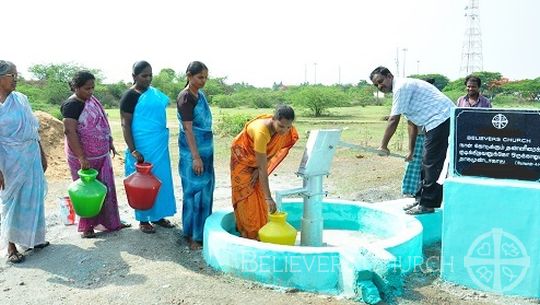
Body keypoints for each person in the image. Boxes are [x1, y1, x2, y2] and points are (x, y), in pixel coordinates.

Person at [370, 66, 454, 215]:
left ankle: (428, 204)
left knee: (432, 163)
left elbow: (393, 120)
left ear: (389, 76)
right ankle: (421, 199)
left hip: (442, 119)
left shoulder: (401, 87)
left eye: (381, 81)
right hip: (434, 123)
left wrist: (383, 145)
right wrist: (411, 149)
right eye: (376, 85)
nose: (380, 86)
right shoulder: (402, 88)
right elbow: (411, 123)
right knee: (425, 162)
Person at [61, 71, 130, 238]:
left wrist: (110, 141)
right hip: (83, 159)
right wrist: (81, 157)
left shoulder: (92, 101)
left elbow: (102, 122)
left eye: (92, 88)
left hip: (101, 156)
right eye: (86, 88)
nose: (90, 92)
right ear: (76, 88)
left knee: (106, 189)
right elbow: (70, 132)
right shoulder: (71, 106)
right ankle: (88, 227)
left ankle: (111, 221)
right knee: (86, 193)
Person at [0, 60, 49, 263]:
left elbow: (33, 129)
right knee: (12, 201)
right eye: (12, 75)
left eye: (17, 75)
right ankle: (11, 246)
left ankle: (34, 239)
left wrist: (42, 153)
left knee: (33, 196)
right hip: (8, 159)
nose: (16, 79)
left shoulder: (21, 99)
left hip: (30, 154)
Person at [120, 61, 176, 233]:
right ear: (134, 76)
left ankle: (158, 216)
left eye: (150, 75)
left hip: (158, 144)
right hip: (141, 145)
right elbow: (125, 124)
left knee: (160, 179)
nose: (148, 79)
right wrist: (133, 149)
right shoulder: (130, 96)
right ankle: (143, 219)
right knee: (141, 182)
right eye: (144, 75)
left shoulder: (155, 94)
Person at [231, 105, 299, 239]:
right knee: (246, 196)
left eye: (288, 127)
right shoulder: (261, 132)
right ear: (273, 119)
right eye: (281, 126)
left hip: (259, 159)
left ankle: (261, 231)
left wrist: (259, 169)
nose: (285, 131)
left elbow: (266, 158)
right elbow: (263, 168)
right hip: (243, 158)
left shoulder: (282, 128)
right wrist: (269, 198)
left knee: (259, 192)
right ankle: (249, 233)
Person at [176, 61, 214, 250]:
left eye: (206, 77)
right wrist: (196, 157)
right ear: (189, 75)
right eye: (200, 77)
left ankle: (202, 232)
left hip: (206, 150)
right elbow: (188, 129)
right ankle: (191, 237)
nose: (203, 81)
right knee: (193, 193)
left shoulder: (200, 95)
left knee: (206, 192)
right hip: (193, 151)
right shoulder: (186, 98)